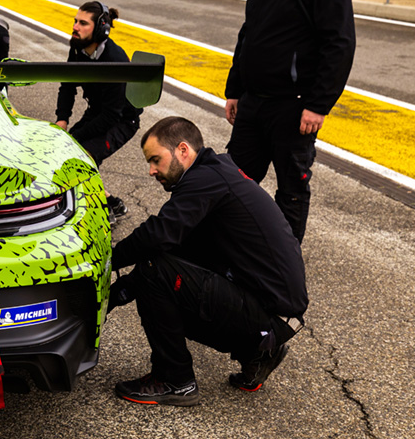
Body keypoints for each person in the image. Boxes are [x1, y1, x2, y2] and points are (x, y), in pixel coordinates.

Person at [109, 117, 308, 406]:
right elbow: (179, 249)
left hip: (270, 316)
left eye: (156, 160)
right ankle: (258, 353)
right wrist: (117, 292)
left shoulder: (207, 180)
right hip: (274, 315)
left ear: (182, 150)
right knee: (161, 267)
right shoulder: (214, 173)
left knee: (155, 271)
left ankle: (173, 380)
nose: (151, 171)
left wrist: (106, 261)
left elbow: (158, 235)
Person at [224, 0, 355, 242]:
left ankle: (283, 265)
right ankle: (233, 248)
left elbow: (338, 45)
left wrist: (318, 104)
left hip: (294, 109)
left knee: (290, 191)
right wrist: (234, 89)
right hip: (254, 103)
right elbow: (248, 35)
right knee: (233, 180)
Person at [54, 1, 142, 220]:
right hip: (98, 113)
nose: (75, 27)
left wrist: (74, 137)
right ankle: (111, 202)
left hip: (122, 120)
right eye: (75, 21)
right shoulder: (78, 48)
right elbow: (67, 85)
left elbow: (112, 115)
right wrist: (62, 119)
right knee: (65, 152)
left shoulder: (115, 60)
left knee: (81, 158)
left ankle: (102, 213)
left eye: (83, 23)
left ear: (101, 28)